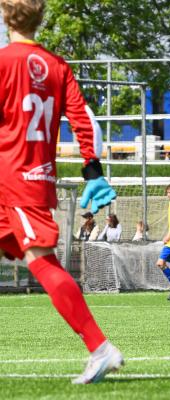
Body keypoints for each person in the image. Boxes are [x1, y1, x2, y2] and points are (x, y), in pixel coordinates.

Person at [0, 0, 123, 384]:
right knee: (38, 259)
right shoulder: (57, 66)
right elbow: (83, 120)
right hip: (33, 177)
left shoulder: (3, 62)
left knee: (42, 261)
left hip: (14, 180)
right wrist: (92, 170)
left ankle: (100, 347)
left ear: (5, 17)